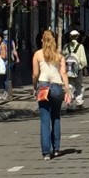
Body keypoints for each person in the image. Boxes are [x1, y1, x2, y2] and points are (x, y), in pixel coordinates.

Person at [32, 29, 71, 160]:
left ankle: (46, 152)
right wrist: (67, 90)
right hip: (56, 86)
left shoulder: (37, 54)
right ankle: (56, 149)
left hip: (43, 86)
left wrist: (34, 87)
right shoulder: (59, 56)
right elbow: (63, 73)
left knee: (44, 120)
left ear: (42, 40)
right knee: (56, 117)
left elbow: (35, 74)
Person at [62, 29, 88, 109]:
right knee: (78, 85)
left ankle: (69, 102)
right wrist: (82, 67)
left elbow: (63, 57)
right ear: (77, 37)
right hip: (78, 70)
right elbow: (83, 60)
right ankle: (79, 102)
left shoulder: (66, 46)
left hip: (68, 70)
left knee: (69, 86)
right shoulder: (80, 46)